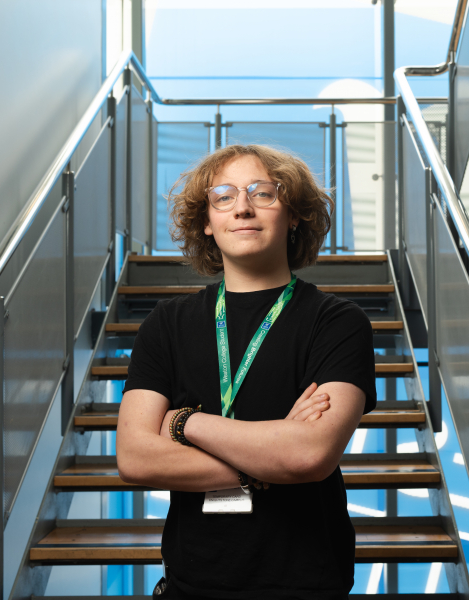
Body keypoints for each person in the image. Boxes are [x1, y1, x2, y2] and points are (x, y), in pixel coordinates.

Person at [116, 144, 377, 600]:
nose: (242, 207)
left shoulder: (337, 322)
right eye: (224, 196)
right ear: (206, 222)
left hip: (307, 583)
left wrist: (184, 423)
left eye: (263, 193)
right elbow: (135, 456)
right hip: (190, 583)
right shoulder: (167, 324)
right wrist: (269, 457)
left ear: (293, 215)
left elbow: (310, 455)